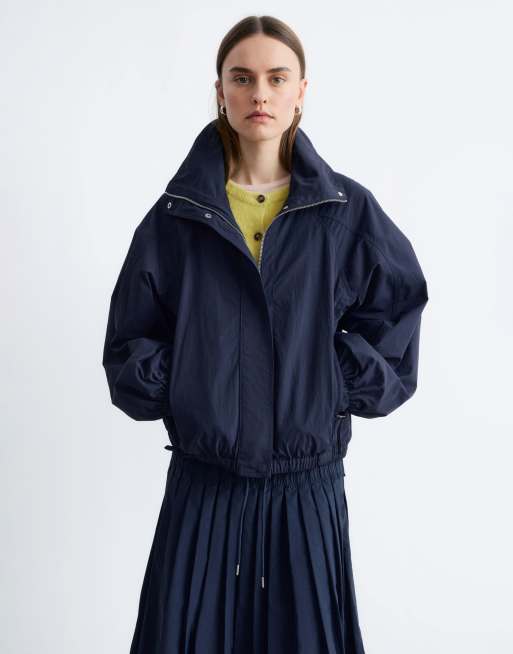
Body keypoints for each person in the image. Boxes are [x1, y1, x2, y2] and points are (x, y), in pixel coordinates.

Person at [101, 14, 429, 654]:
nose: (260, 94)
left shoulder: (343, 211)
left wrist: (333, 379)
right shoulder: (177, 216)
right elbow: (129, 340)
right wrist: (187, 386)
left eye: (277, 78)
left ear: (301, 91)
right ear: (220, 90)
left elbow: (398, 311)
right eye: (242, 78)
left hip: (306, 489)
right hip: (203, 485)